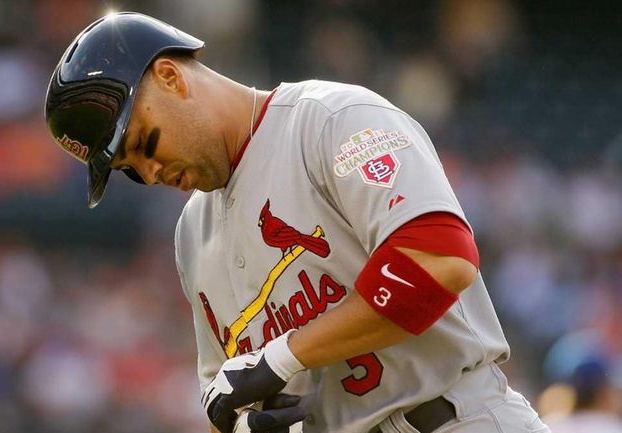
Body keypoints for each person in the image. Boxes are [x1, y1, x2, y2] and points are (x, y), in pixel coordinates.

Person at [44, 12, 551, 433]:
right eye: (129, 171)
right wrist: (248, 424)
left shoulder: (331, 119)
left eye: (145, 143)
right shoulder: (190, 235)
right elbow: (224, 391)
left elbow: (438, 258)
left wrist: (282, 357)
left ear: (171, 78)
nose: (150, 172)